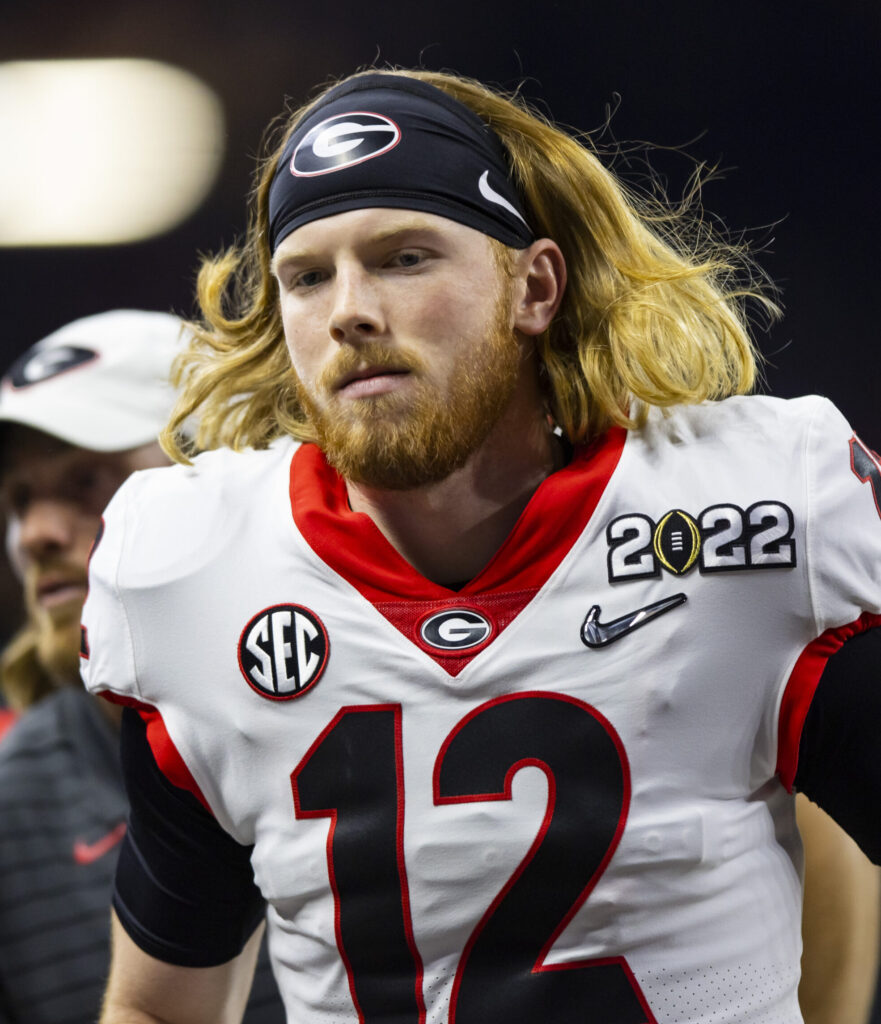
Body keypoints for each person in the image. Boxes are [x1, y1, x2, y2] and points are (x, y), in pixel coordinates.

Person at [79, 70, 881, 1024]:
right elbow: (163, 1007)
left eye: (405, 257)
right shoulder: (190, 572)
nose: (349, 310)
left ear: (533, 286)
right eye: (307, 276)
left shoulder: (744, 510)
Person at [0, 310, 284, 1023]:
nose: (35, 534)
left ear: (227, 470)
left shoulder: (381, 707)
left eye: (87, 480)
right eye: (20, 499)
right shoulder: (11, 805)